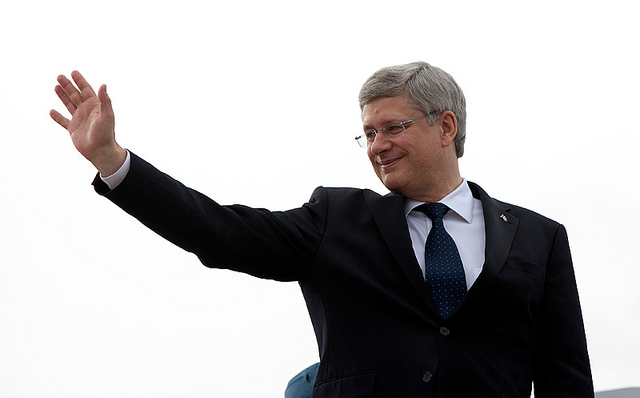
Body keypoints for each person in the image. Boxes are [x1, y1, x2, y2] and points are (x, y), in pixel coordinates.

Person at [50, 62, 594, 397]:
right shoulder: (337, 220)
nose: (377, 145)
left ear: (445, 125)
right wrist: (113, 160)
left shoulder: (539, 238)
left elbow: (565, 380)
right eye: (367, 133)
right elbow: (220, 232)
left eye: (392, 127)